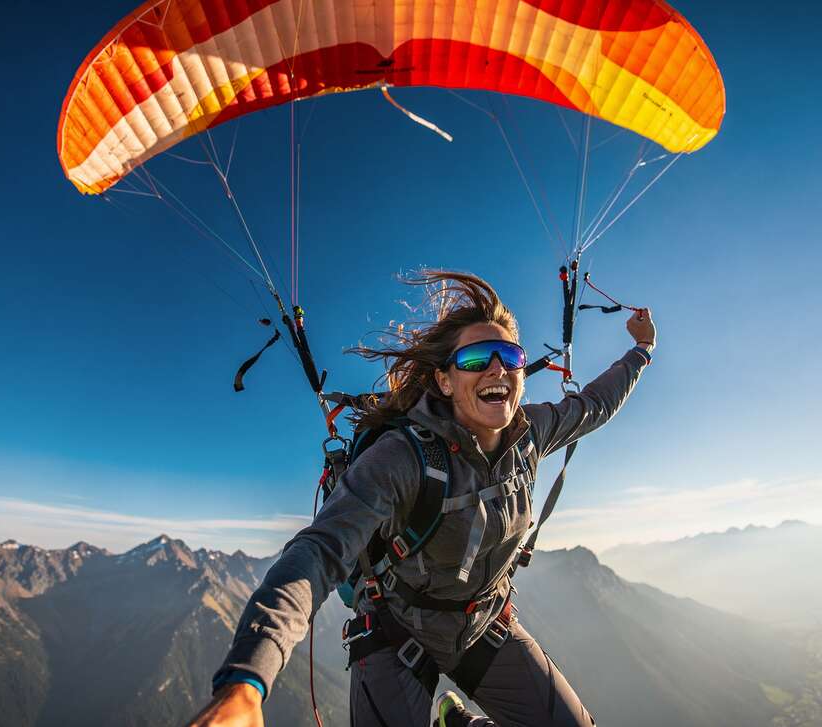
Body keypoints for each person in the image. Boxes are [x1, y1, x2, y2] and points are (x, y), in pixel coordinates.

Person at [187, 271, 655, 727]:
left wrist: (641, 350)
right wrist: (246, 681)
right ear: (445, 381)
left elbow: (595, 404)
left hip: (483, 624)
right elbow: (321, 549)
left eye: (509, 356)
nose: (497, 368)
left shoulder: (531, 434)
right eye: (475, 359)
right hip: (397, 630)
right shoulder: (404, 458)